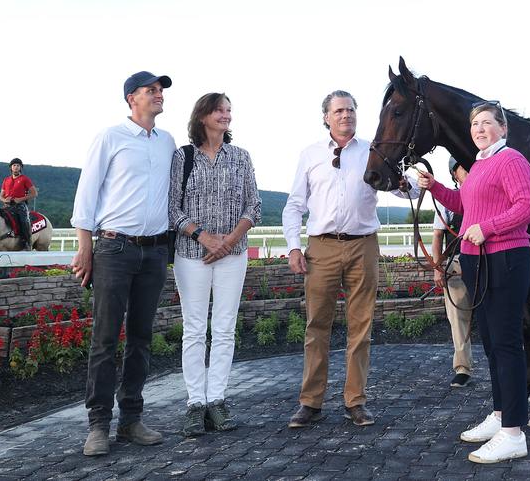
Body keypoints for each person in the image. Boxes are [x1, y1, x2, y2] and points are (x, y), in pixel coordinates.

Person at [282, 90, 417, 429]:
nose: (346, 115)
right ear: (326, 117)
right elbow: (294, 205)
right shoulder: (310, 155)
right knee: (317, 327)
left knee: (361, 327)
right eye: (339, 110)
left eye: (351, 109)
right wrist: (294, 247)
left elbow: (404, 189)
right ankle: (310, 403)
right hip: (322, 247)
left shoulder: (374, 150)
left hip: (363, 246)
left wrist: (410, 183)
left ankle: (355, 401)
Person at [418, 102, 530, 464]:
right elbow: (466, 204)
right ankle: (503, 414)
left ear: (503, 128)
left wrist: (487, 228)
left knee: (506, 344)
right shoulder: (480, 165)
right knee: (490, 341)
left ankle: (514, 434)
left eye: (488, 122)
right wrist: (436, 187)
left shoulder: (511, 160)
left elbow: (529, 206)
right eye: (475, 123)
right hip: (478, 261)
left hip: (504, 259)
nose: (480, 128)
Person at [70, 71, 176, 457]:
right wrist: (85, 247)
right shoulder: (110, 137)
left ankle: (131, 420)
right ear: (132, 98)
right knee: (104, 338)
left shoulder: (167, 142)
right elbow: (88, 193)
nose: (159, 95)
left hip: (154, 251)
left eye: (160, 90)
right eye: (152, 90)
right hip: (115, 248)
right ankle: (98, 424)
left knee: (142, 337)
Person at [169, 93, 261, 437]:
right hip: (191, 254)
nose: (226, 115)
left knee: (224, 329)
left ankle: (217, 401)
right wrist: (204, 237)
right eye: (220, 110)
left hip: (232, 256)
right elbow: (172, 209)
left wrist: (230, 240)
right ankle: (195, 404)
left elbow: (255, 204)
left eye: (229, 110)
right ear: (203, 115)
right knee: (194, 330)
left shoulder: (241, 157)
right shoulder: (183, 156)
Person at [430, 157, 474, 389]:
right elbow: (437, 237)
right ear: (454, 174)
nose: (466, 171)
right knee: (457, 316)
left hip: (485, 260)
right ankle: (462, 367)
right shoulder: (447, 203)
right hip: (456, 263)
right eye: (461, 168)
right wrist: (438, 268)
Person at [0, 157, 36, 248]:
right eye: (14, 165)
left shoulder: (25, 179)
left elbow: (34, 193)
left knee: (24, 221)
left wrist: (20, 199)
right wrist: (4, 200)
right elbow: (1, 196)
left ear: (21, 168)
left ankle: (27, 242)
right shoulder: (6, 180)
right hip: (7, 205)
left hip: (20, 205)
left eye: (18, 166)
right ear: (11, 167)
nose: (16, 167)